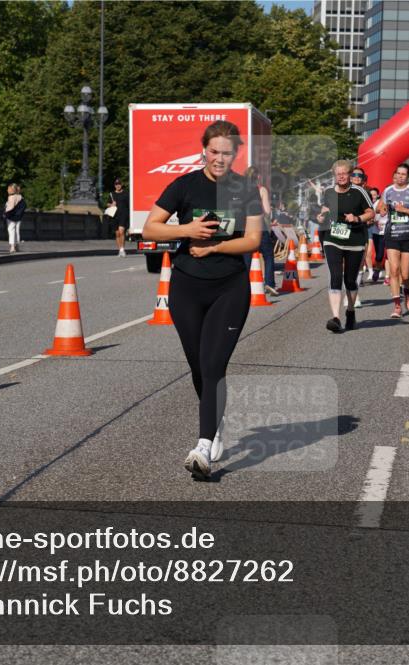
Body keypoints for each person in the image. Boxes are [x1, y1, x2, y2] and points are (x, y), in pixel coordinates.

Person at [142, 120, 263, 480]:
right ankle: (216, 422)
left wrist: (214, 247)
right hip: (186, 287)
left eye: (227, 153)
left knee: (213, 366)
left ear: (236, 154)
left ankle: (203, 447)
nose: (219, 158)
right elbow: (150, 227)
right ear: (204, 151)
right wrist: (187, 230)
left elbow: (253, 239)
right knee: (198, 366)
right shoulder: (184, 186)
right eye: (214, 151)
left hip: (229, 287)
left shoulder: (245, 189)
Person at [317, 159, 375, 331]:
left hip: (355, 239)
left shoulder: (359, 192)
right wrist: (321, 216)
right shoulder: (328, 192)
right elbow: (324, 210)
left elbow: (371, 213)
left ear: (349, 175)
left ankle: (350, 311)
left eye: (344, 173)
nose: (341, 176)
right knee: (335, 276)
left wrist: (357, 218)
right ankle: (335, 317)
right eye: (338, 174)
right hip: (332, 238)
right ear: (334, 175)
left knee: (350, 279)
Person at [379, 163, 409, 318]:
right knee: (394, 270)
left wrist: (404, 210)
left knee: (405, 275)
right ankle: (397, 306)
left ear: (407, 177)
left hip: (408, 235)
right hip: (392, 234)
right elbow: (381, 206)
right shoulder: (388, 190)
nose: (400, 176)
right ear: (394, 175)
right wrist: (382, 210)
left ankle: (407, 291)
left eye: (403, 174)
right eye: (398, 173)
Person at [367, 187, 387, 282]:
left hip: (390, 232)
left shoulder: (393, 203)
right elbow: (371, 217)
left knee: (390, 255)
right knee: (379, 255)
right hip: (377, 232)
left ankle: (389, 276)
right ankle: (377, 269)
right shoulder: (374, 204)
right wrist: (374, 221)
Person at [109, 178, 130, 257]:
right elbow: (107, 204)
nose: (118, 185)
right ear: (114, 185)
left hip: (123, 215)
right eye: (116, 184)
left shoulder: (126, 194)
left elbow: (129, 204)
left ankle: (122, 249)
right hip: (114, 215)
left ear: (121, 185)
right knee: (117, 234)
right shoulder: (111, 194)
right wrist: (111, 204)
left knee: (121, 231)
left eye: (119, 184)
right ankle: (120, 250)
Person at [4, 183, 26, 253]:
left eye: (8, 189)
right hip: (19, 217)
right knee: (17, 231)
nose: (7, 190)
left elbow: (10, 207)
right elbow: (24, 206)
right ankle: (17, 246)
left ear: (12, 190)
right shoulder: (20, 197)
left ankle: (12, 246)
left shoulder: (11, 197)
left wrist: (5, 214)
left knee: (11, 230)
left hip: (11, 217)